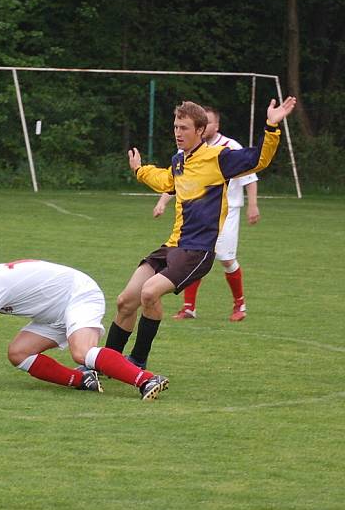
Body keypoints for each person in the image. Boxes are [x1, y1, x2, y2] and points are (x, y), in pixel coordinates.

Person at [105, 97, 296, 369]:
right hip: (172, 245)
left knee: (149, 294)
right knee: (125, 301)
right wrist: (140, 170)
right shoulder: (179, 160)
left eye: (184, 128)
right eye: (175, 127)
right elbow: (167, 181)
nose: (178, 133)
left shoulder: (218, 158)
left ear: (200, 130)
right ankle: (104, 363)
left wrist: (271, 126)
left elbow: (259, 160)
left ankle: (136, 361)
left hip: (197, 250)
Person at [0, 253, 170, 400]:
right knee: (18, 353)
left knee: (81, 353)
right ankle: (83, 380)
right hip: (55, 311)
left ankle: (147, 380)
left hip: (79, 295)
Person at [152, 106, 259, 322]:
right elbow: (178, 182)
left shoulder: (228, 147)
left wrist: (253, 205)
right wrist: (162, 202)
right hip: (200, 214)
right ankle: (189, 307)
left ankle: (240, 305)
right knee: (192, 252)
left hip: (227, 212)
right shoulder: (186, 153)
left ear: (213, 126)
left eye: (210, 123)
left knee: (227, 259)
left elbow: (251, 176)